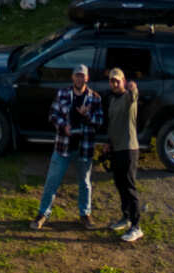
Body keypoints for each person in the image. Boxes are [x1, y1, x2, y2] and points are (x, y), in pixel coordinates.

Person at [31, 63, 103, 230]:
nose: (79, 78)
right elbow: (53, 115)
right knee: (52, 181)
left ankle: (85, 214)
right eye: (77, 75)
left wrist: (87, 116)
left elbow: (99, 121)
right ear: (73, 77)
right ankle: (43, 213)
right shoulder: (63, 94)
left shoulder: (95, 98)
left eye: (82, 76)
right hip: (63, 146)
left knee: (85, 183)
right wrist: (64, 126)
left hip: (84, 148)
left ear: (87, 78)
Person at [102, 66, 143, 242]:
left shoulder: (128, 97)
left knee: (129, 186)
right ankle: (125, 217)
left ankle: (136, 226)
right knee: (119, 184)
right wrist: (108, 143)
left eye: (117, 80)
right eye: (112, 80)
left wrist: (133, 88)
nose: (114, 83)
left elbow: (134, 96)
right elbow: (112, 124)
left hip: (129, 149)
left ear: (123, 82)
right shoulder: (112, 100)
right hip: (116, 148)